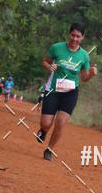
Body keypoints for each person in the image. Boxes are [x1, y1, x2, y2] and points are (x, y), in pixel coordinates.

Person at [36, 22, 97, 160]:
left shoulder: (84, 56)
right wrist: (49, 66)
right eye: (73, 35)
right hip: (53, 90)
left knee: (61, 123)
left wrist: (92, 73)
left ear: (83, 38)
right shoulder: (57, 48)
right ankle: (43, 131)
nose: (75, 39)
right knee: (46, 123)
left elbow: (84, 78)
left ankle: (49, 150)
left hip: (70, 92)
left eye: (78, 36)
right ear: (69, 34)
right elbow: (45, 61)